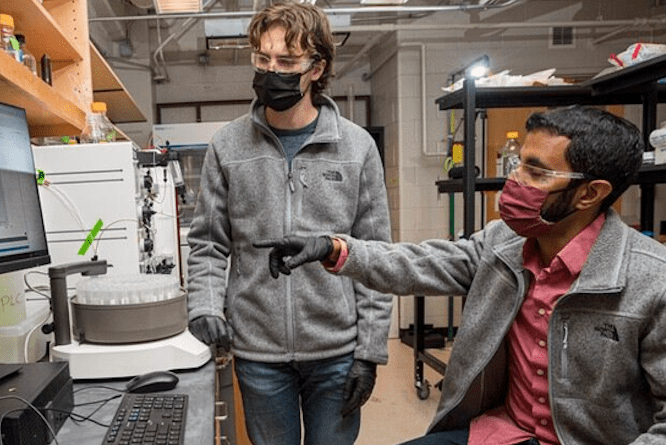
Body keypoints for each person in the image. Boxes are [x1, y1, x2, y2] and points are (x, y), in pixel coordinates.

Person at [256, 105, 666, 445]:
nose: (515, 179)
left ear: (590, 193)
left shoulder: (650, 280)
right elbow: (421, 262)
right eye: (517, 164)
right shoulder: (504, 242)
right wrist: (335, 248)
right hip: (505, 435)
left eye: (536, 172)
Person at [184, 2, 393, 445]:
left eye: (287, 61)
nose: (271, 70)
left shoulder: (356, 149)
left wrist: (369, 352)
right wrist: (203, 305)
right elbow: (208, 244)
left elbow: (375, 257)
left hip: (336, 351)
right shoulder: (227, 146)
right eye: (263, 59)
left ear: (317, 68)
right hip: (259, 353)